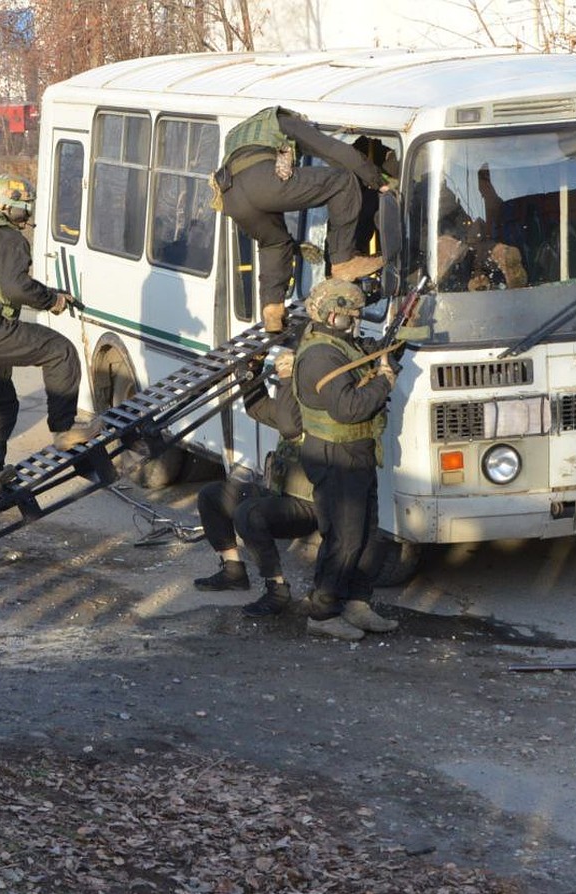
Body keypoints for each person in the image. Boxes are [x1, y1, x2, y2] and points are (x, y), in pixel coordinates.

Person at [0, 173, 100, 497]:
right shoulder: (6, 235)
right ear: (7, 206)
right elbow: (14, 287)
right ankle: (64, 429)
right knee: (60, 350)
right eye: (24, 207)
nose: (27, 214)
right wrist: (52, 300)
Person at [211, 106, 386, 333]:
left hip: (231, 198)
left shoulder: (239, 132)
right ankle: (343, 261)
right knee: (343, 181)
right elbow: (331, 149)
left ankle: (272, 310)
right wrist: (376, 179)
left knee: (274, 243)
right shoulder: (283, 121)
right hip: (262, 184)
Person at [292, 278, 400, 640]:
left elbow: (357, 356)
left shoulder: (335, 343)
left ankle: (357, 603)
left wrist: (384, 352)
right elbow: (349, 408)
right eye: (349, 315)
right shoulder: (321, 355)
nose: (354, 322)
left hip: (355, 452)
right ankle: (322, 614)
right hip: (335, 455)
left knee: (368, 534)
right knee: (345, 538)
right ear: (331, 315)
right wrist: (384, 380)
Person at [192, 348, 320, 617]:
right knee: (212, 495)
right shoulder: (292, 407)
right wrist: (251, 375)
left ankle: (277, 589)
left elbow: (289, 426)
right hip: (281, 495)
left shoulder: (319, 410)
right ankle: (233, 570)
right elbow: (259, 408)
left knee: (249, 514)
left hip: (310, 506)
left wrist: (285, 380)